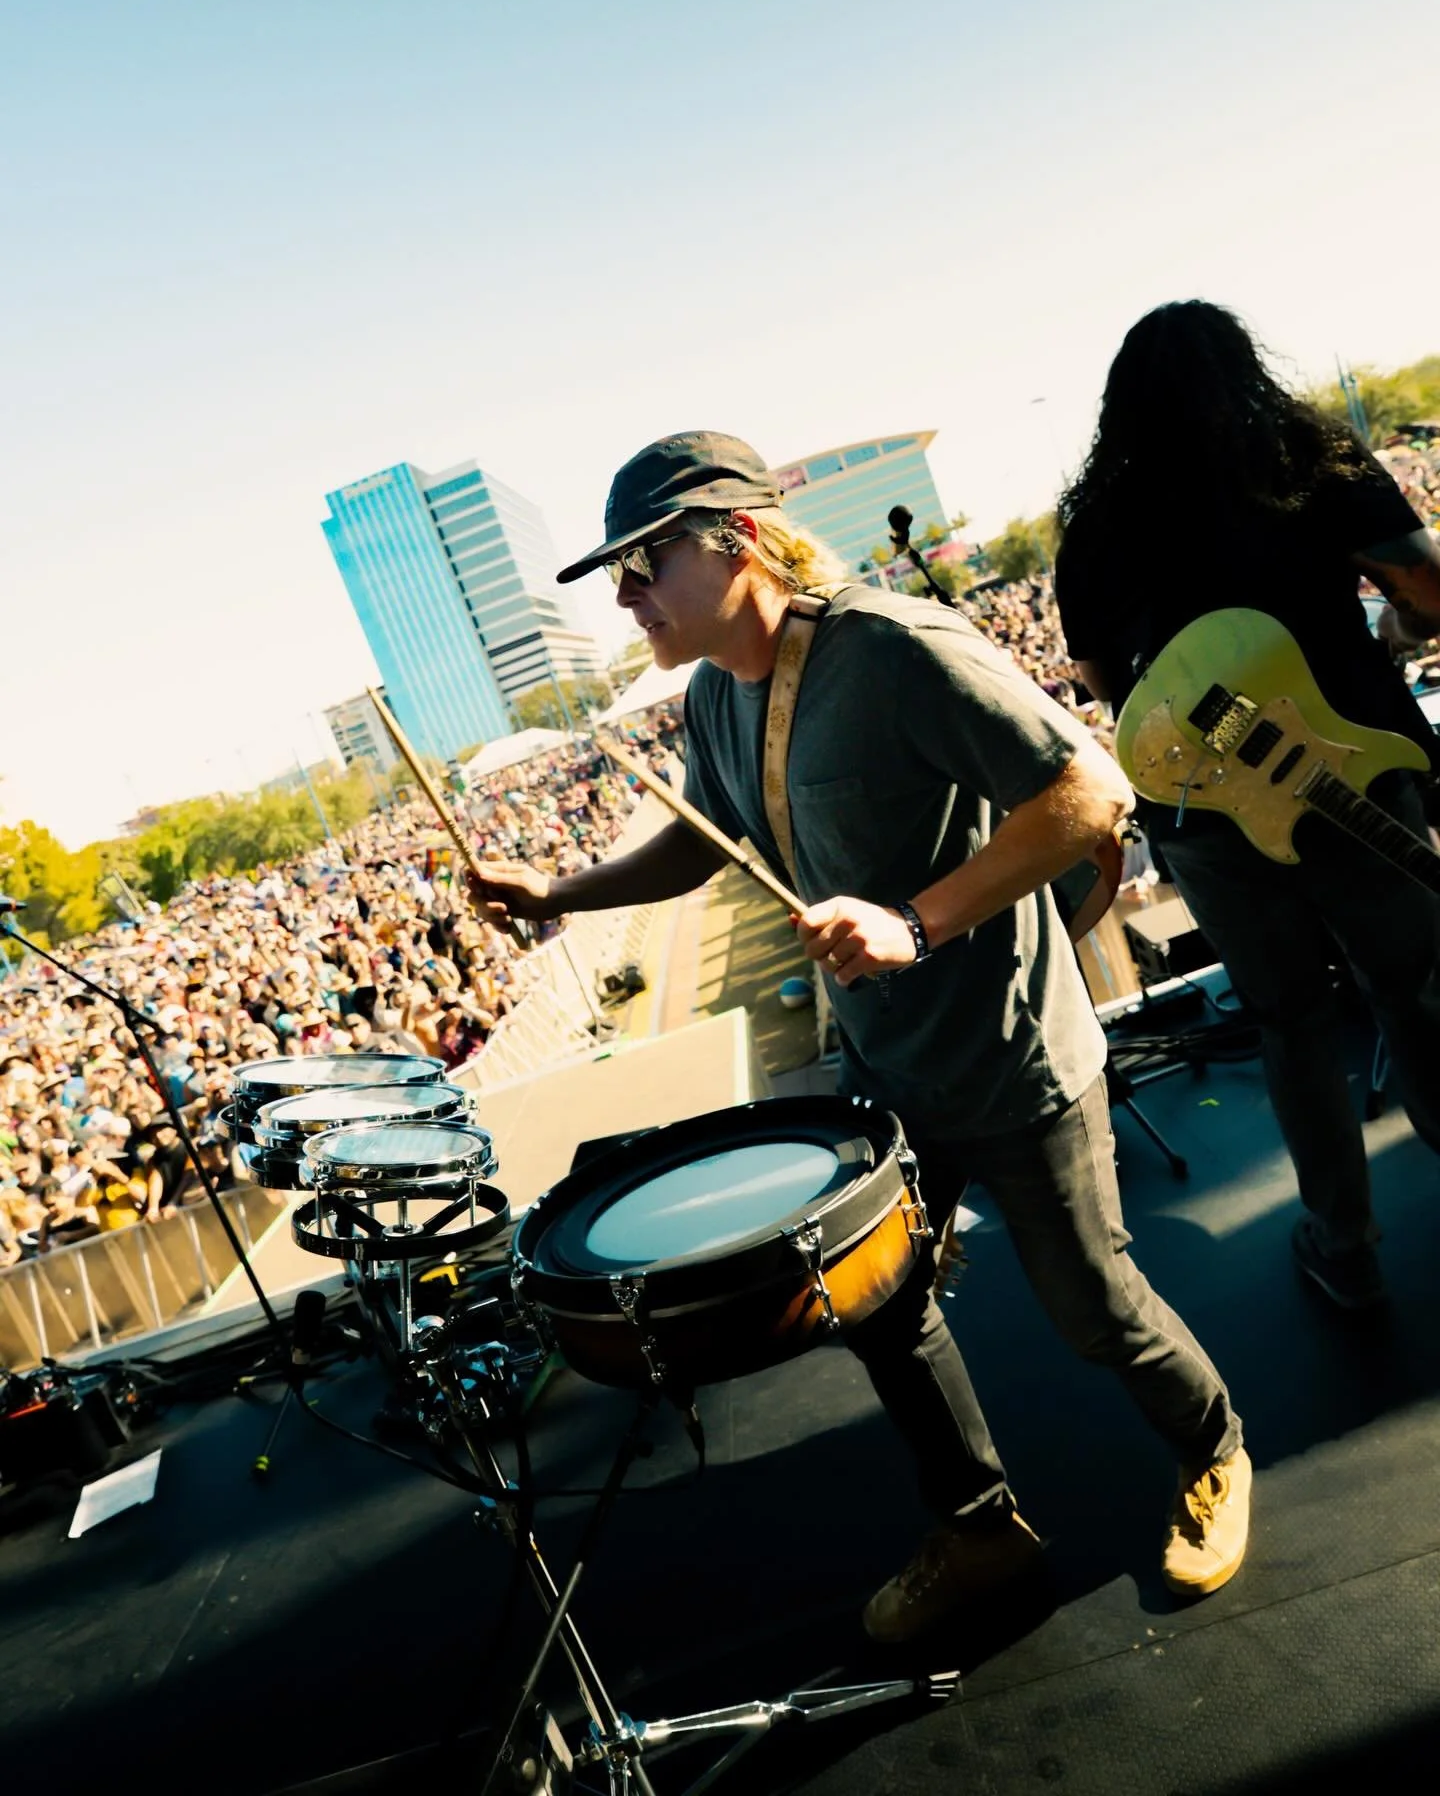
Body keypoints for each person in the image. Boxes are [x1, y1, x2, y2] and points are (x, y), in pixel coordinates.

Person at [474, 429, 1250, 1641]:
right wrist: (560, 893)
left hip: (1010, 1057)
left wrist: (915, 923)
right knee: (880, 1301)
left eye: (643, 563)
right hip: (884, 1072)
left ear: (735, 539)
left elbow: (1091, 793)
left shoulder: (894, 648)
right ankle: (981, 1527)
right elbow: (708, 837)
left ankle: (1215, 1447)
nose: (625, 597)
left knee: (1094, 1306)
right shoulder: (716, 696)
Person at [1054, 299, 1440, 1313]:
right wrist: (1395, 622)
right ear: (1247, 372)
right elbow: (1431, 586)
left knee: (1289, 1021)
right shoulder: (1312, 459)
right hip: (1352, 778)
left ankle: (1345, 1248)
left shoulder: (1096, 526)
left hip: (1208, 815)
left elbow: (1109, 688)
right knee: (1414, 989)